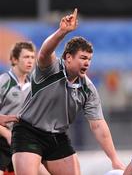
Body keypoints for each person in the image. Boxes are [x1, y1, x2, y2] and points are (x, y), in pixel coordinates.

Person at [11, 9, 125, 175]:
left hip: (57, 137)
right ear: (68, 57)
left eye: (89, 59)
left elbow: (98, 125)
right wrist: (62, 32)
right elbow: (44, 52)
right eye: (83, 58)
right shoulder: (50, 68)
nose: (87, 63)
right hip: (28, 132)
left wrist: (114, 159)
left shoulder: (88, 89)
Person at [0, 41, 38, 175]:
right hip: (3, 140)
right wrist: (6, 134)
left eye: (32, 57)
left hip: (22, 142)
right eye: (26, 57)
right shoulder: (3, 82)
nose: (30, 61)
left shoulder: (33, 87)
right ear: (15, 59)